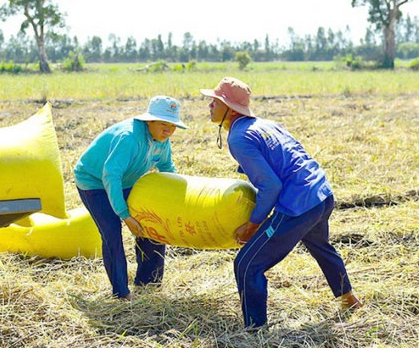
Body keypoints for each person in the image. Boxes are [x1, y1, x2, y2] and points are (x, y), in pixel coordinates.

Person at [200, 77, 362, 328]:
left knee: (246, 264)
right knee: (321, 246)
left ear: (230, 109)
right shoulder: (266, 124)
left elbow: (271, 186)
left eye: (215, 101)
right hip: (321, 193)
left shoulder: (239, 138)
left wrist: (254, 223)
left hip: (298, 204)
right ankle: (349, 299)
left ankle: (256, 331)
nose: (210, 105)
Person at [74, 96, 187, 300]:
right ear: (149, 121)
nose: (168, 130)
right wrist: (125, 215)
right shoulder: (129, 138)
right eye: (163, 123)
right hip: (94, 182)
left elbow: (167, 168)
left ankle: (148, 283)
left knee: (151, 223)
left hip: (127, 181)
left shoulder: (162, 140)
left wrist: (182, 194)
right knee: (112, 232)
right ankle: (121, 293)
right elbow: (111, 175)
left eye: (172, 125)